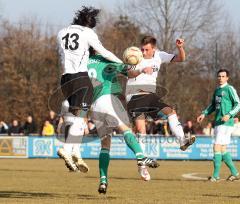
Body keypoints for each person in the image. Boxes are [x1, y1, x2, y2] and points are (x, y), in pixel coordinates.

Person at [88, 48, 159, 194]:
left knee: (105, 145)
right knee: (125, 129)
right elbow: (129, 72)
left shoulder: (82, 63)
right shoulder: (105, 60)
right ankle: (141, 157)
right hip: (106, 99)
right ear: (96, 49)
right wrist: (140, 70)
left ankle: (103, 180)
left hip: (94, 106)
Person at [57, 6, 122, 165]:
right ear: (89, 24)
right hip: (81, 78)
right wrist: (122, 63)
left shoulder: (61, 32)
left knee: (75, 117)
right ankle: (66, 148)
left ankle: (75, 153)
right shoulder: (87, 33)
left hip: (65, 79)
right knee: (80, 117)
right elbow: (104, 52)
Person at [126, 35, 195, 150]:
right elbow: (129, 74)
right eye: (142, 49)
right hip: (135, 96)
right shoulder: (135, 56)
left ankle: (182, 140)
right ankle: (142, 165)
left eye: (146, 50)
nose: (143, 52)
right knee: (141, 130)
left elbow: (181, 58)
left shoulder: (159, 55)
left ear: (154, 49)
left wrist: (180, 48)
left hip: (150, 96)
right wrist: (140, 70)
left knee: (171, 112)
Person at [197, 69, 240, 182]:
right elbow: (212, 105)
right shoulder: (217, 90)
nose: (220, 78)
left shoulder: (229, 89)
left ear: (227, 78)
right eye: (219, 76)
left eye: (223, 76)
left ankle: (215, 176)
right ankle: (235, 173)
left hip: (226, 123)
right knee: (222, 148)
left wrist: (229, 115)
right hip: (218, 122)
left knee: (216, 146)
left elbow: (238, 104)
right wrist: (204, 113)